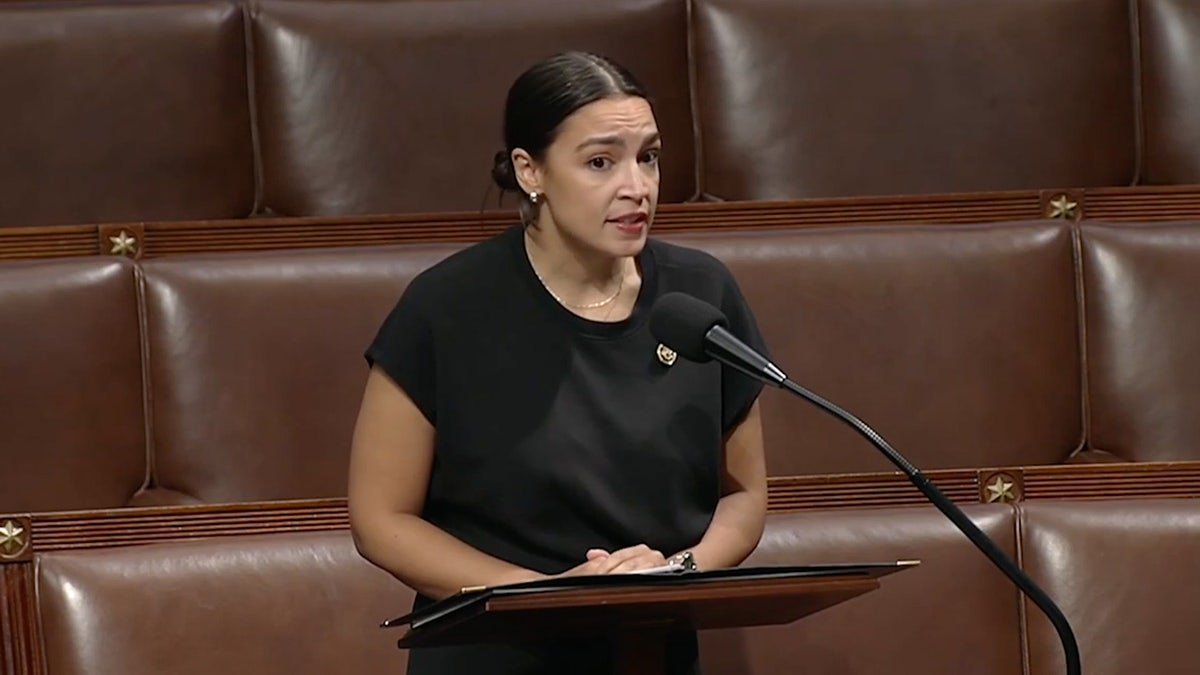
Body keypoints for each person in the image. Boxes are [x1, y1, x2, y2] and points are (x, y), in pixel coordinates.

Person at [348, 51, 769, 675]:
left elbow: (745, 495)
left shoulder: (700, 296)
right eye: (601, 162)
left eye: (648, 157)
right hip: (496, 650)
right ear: (530, 171)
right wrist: (546, 598)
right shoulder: (447, 308)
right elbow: (380, 520)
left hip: (648, 647)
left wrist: (675, 572)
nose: (637, 186)